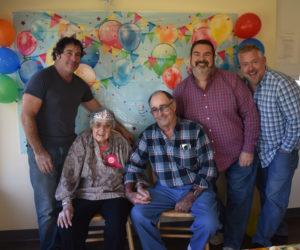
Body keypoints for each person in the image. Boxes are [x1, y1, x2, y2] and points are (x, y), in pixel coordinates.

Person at [20, 37, 134, 250]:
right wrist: (39, 151)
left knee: (65, 203)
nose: (74, 58)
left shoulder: (79, 85)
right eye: (69, 53)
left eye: (78, 55)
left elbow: (100, 112)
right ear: (58, 54)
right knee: (47, 210)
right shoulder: (41, 79)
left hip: (71, 149)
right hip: (44, 150)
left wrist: (123, 130)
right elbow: (26, 115)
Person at [173, 39, 260, 250]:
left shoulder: (232, 81)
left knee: (239, 201)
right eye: (197, 54)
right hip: (203, 161)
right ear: (190, 59)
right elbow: (178, 129)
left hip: (238, 153)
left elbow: (250, 114)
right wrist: (188, 157)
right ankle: (219, 226)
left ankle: (232, 244)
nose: (201, 59)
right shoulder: (181, 90)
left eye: (206, 54)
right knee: (209, 200)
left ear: (213, 58)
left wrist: (248, 149)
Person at [125, 90, 220, 250]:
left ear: (174, 105)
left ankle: (194, 247)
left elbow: (208, 168)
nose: (160, 113)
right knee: (138, 214)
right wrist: (130, 192)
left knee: (209, 223)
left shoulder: (195, 130)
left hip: (196, 187)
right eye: (155, 109)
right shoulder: (148, 136)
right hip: (164, 189)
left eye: (163, 107)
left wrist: (191, 196)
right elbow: (132, 167)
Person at [238, 43, 300, 247]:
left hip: (281, 150)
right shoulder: (243, 85)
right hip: (258, 152)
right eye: (245, 64)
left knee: (274, 198)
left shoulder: (282, 84)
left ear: (264, 61)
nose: (251, 68)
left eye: (255, 62)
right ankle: (280, 232)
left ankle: (260, 241)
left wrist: (285, 150)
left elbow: (297, 121)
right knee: (267, 196)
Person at [55, 108, 131, 250]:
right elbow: (68, 173)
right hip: (85, 194)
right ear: (91, 125)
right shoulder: (82, 141)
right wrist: (66, 203)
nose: (102, 129)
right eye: (98, 125)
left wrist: (135, 189)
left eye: (107, 125)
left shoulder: (120, 142)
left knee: (115, 227)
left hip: (114, 194)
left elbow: (132, 170)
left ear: (112, 127)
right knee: (67, 225)